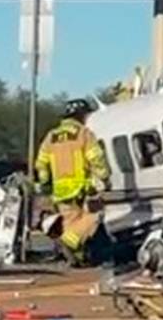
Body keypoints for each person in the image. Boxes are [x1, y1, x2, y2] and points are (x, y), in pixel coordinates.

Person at [34, 98, 111, 267]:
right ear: (81, 116)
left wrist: (46, 182)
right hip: (82, 188)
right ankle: (68, 244)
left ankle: (79, 258)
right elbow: (96, 158)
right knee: (94, 217)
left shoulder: (51, 136)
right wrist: (104, 177)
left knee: (71, 223)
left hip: (60, 190)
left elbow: (41, 163)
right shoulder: (84, 134)